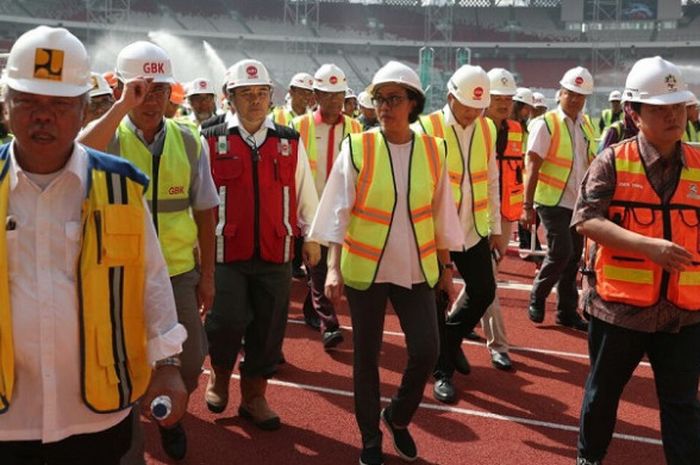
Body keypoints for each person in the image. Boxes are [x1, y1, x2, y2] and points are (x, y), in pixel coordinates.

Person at [0, 26, 187, 464]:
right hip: (8, 415)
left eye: (61, 104)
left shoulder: (119, 186)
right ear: (6, 106)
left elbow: (152, 278)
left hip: (95, 413)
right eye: (28, 101)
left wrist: (168, 365)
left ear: (85, 109)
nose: (42, 116)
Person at [311, 60, 462, 465]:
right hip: (365, 270)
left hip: (416, 270)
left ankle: (396, 416)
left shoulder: (434, 148)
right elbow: (338, 211)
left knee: (427, 351)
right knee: (367, 357)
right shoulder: (359, 147)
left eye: (394, 98)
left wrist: (447, 269)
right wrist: (332, 266)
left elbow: (441, 212)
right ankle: (369, 438)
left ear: (413, 103)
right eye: (379, 98)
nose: (384, 106)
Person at [79, 40, 218, 461]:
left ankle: (171, 419)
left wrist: (208, 275)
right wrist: (121, 107)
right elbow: (77, 156)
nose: (151, 99)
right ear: (122, 88)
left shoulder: (190, 141)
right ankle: (132, 439)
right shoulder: (110, 138)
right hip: (116, 276)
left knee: (190, 362)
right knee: (119, 366)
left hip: (176, 273)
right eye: (141, 88)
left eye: (160, 89)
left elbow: (206, 212)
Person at [574, 56, 700, 465]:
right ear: (634, 111)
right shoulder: (612, 160)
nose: (673, 116)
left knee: (683, 406)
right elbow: (586, 220)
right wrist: (649, 247)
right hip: (618, 311)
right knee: (602, 395)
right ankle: (589, 458)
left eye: (679, 106)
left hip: (683, 314)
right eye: (661, 109)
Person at [200, 59, 321, 431]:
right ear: (230, 98)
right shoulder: (209, 137)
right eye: (246, 94)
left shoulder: (288, 140)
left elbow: (306, 191)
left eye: (261, 93)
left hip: (276, 250)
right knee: (224, 321)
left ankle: (254, 396)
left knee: (269, 327)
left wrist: (312, 237)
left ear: (271, 96)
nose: (255, 101)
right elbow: (200, 198)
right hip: (226, 252)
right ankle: (220, 376)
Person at [415, 65, 501, 403]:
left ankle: (449, 343)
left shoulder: (487, 127)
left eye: (479, 108)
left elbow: (491, 178)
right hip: (438, 233)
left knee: (483, 291)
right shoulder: (428, 127)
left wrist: (494, 227)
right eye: (467, 107)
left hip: (474, 229)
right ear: (450, 97)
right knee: (439, 300)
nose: (473, 114)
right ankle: (442, 372)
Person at [520, 66, 596, 331]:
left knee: (573, 257)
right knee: (561, 251)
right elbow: (532, 166)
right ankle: (537, 296)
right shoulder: (546, 124)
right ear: (560, 93)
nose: (575, 99)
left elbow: (590, 161)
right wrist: (526, 205)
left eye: (580, 95)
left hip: (577, 202)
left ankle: (566, 312)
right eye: (570, 93)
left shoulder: (586, 124)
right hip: (551, 200)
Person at [292, 64, 362, 348]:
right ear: (315, 95)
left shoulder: (356, 129)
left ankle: (314, 308)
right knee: (318, 267)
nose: (334, 101)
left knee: (331, 269)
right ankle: (329, 324)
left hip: (344, 211)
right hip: (310, 211)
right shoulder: (300, 127)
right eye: (328, 94)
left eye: (339, 95)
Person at [478, 66, 526, 371]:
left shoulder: (517, 129)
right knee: (488, 280)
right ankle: (498, 345)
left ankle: (456, 319)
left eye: (509, 98)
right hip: (478, 214)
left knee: (481, 281)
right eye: (498, 97)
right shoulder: (475, 129)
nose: (504, 103)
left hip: (505, 215)